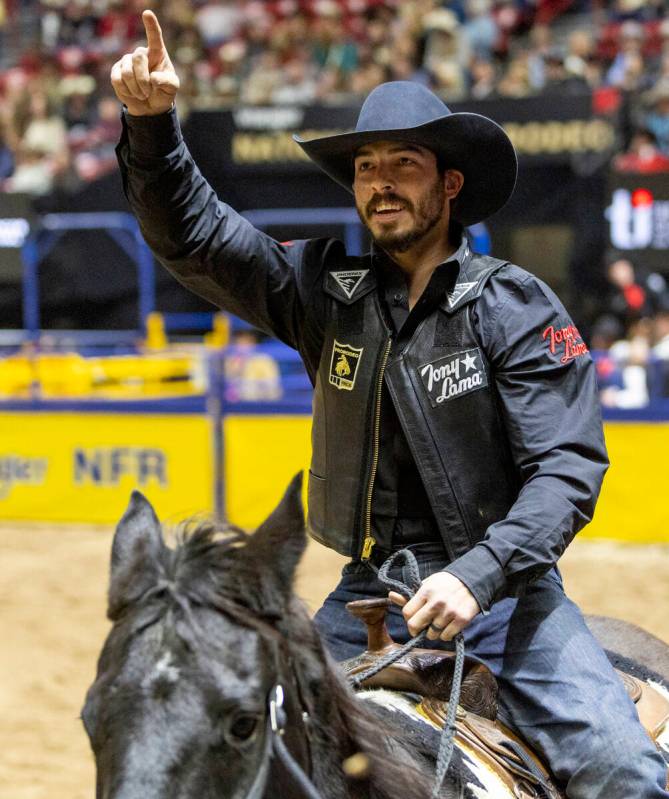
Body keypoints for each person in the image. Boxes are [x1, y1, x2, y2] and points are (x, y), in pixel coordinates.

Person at [111, 11, 669, 798]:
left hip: (510, 605)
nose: (378, 182)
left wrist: (476, 575)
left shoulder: (516, 307)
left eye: (401, 164)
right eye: (366, 167)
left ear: (448, 183)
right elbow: (195, 236)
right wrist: (149, 126)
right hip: (363, 594)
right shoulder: (319, 288)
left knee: (624, 772)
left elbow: (565, 470)